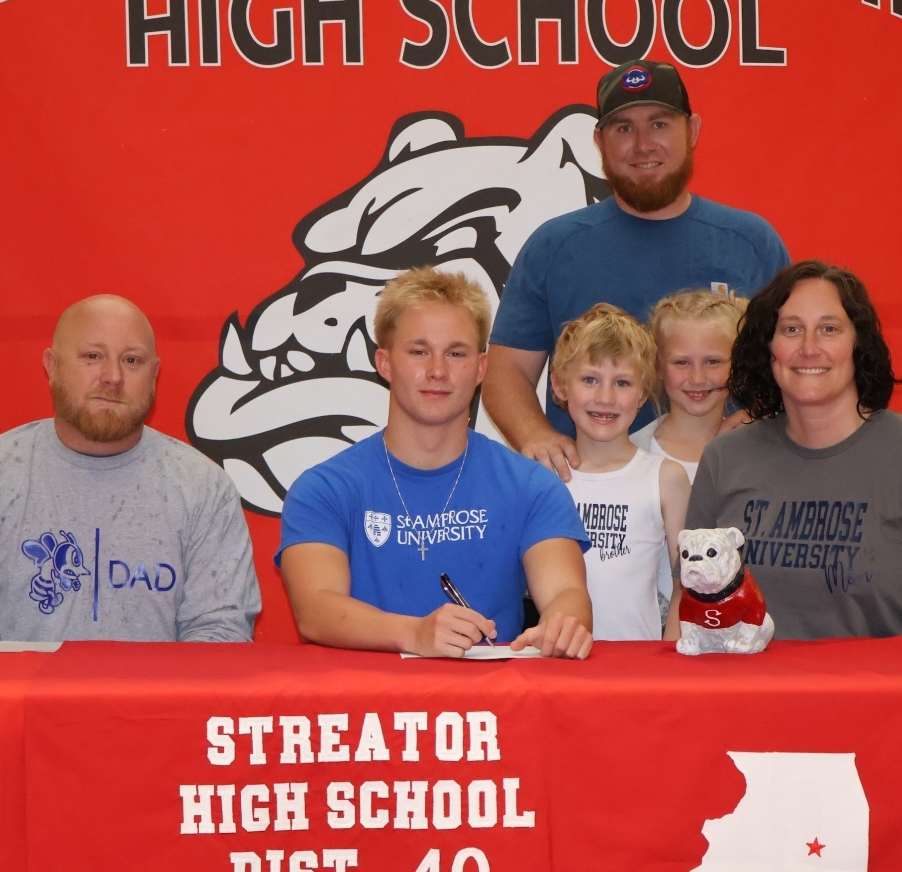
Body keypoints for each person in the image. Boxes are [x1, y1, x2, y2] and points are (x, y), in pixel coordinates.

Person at [483, 58, 790, 482]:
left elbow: (794, 360)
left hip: (733, 487)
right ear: (599, 141)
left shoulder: (751, 242)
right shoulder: (554, 247)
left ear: (693, 130)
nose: (643, 144)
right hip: (589, 500)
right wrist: (535, 436)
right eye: (624, 128)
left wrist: (763, 414)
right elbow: (507, 369)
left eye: (660, 124)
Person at [276, 267, 594, 658]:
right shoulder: (323, 490)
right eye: (419, 351)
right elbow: (315, 610)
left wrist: (563, 625)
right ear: (385, 363)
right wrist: (414, 634)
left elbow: (567, 594)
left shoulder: (532, 486)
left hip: (492, 709)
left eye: (456, 353)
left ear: (480, 369)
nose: (438, 371)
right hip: (367, 709)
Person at [0, 295, 261, 642]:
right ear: (52, 366)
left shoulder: (204, 487)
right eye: (93, 356)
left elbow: (220, 636)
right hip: (17, 704)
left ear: (155, 375)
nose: (113, 376)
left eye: (132, 360)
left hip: (157, 705)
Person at [669, 261, 902, 640]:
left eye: (829, 329)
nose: (809, 348)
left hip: (879, 698)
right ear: (769, 347)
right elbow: (687, 614)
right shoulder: (724, 458)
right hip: (747, 698)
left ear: (858, 343)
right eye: (791, 329)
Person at [550, 304, 689, 639]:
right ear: (560, 386)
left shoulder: (666, 478)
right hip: (557, 669)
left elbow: (688, 585)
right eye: (590, 379)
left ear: (642, 392)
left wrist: (670, 667)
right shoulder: (543, 477)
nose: (605, 397)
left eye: (622, 383)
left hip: (639, 674)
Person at [631, 289, 748, 624]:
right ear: (657, 367)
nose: (697, 378)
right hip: (654, 640)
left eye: (713, 362)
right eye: (682, 362)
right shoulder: (635, 451)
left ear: (736, 364)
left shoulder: (759, 452)